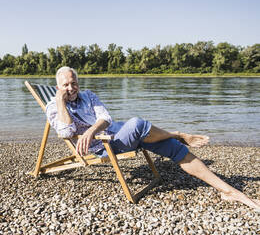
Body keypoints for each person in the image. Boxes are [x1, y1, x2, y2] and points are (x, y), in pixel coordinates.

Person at [46, 66, 260, 210]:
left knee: (175, 148)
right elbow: (65, 132)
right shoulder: (53, 107)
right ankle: (177, 133)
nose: (71, 88)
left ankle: (228, 191)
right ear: (58, 88)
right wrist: (60, 102)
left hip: (116, 132)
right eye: (65, 85)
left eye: (74, 83)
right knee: (138, 124)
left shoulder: (89, 95)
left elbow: (106, 118)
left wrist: (91, 129)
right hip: (103, 147)